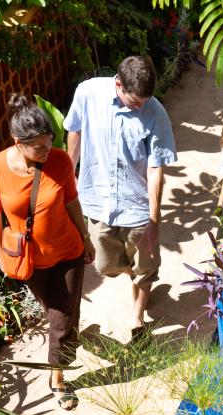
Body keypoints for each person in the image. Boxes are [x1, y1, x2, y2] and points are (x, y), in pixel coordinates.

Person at [0, 94, 95, 411]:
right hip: (30, 260)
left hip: (68, 250)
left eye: (49, 143)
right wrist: (1, 256)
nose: (48, 151)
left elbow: (71, 201)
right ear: (18, 142)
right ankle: (68, 339)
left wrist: (86, 237)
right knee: (58, 313)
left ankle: (57, 378)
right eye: (39, 147)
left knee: (60, 318)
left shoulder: (59, 160)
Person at [63, 56, 177, 340]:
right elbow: (74, 130)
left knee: (146, 266)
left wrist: (154, 218)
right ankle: (136, 274)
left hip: (136, 204)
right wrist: (68, 179)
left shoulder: (155, 112)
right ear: (118, 84)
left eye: (144, 101)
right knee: (104, 264)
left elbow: (155, 168)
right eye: (135, 102)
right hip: (98, 199)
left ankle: (138, 319)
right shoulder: (87, 93)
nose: (141, 107)